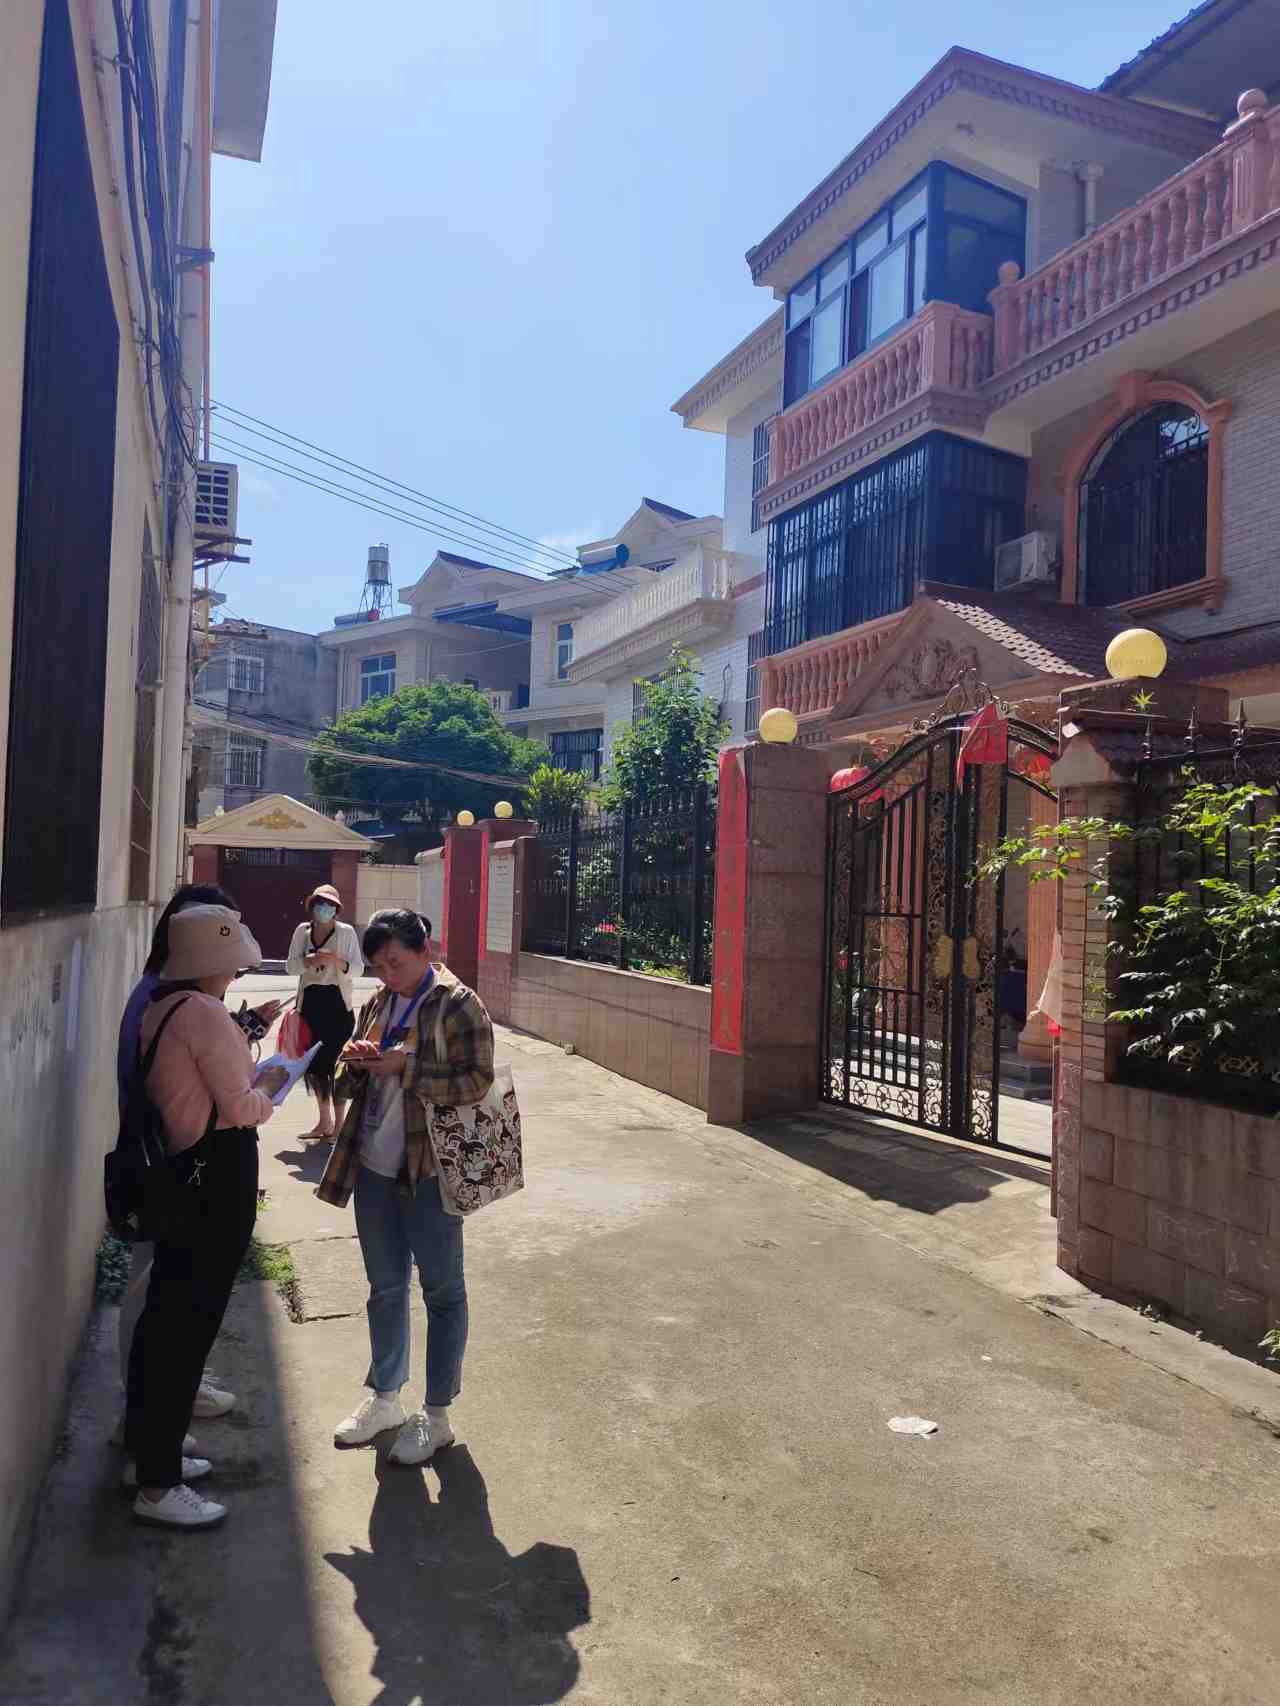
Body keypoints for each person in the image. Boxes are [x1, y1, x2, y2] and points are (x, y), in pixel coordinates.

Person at [125, 905, 286, 1528]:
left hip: (180, 1173)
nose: (238, 970)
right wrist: (271, 1085)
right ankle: (158, 1486)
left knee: (166, 1323)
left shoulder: (162, 1007)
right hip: (213, 1176)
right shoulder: (204, 1013)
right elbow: (240, 1106)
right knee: (186, 1330)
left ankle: (151, 1456)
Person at [318, 909, 494, 1466]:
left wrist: (406, 1068)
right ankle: (385, 1399)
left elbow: (478, 1080)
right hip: (373, 1165)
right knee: (385, 1288)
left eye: (396, 963)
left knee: (442, 1292)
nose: (388, 975)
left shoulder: (458, 1004)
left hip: (430, 1171)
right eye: (379, 966)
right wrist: (357, 1062)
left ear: (425, 951)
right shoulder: (379, 1002)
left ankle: (436, 1415)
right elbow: (353, 1076)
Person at [286, 884, 362, 1141]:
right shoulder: (303, 931)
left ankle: (340, 1125)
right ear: (312, 906)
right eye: (320, 904)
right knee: (316, 1067)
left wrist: (335, 962)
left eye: (330, 905)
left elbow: (358, 969)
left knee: (336, 1066)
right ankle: (324, 1121)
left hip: (338, 1005)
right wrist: (308, 961)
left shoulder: (346, 932)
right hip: (310, 1004)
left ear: (337, 909)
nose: (324, 909)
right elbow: (290, 967)